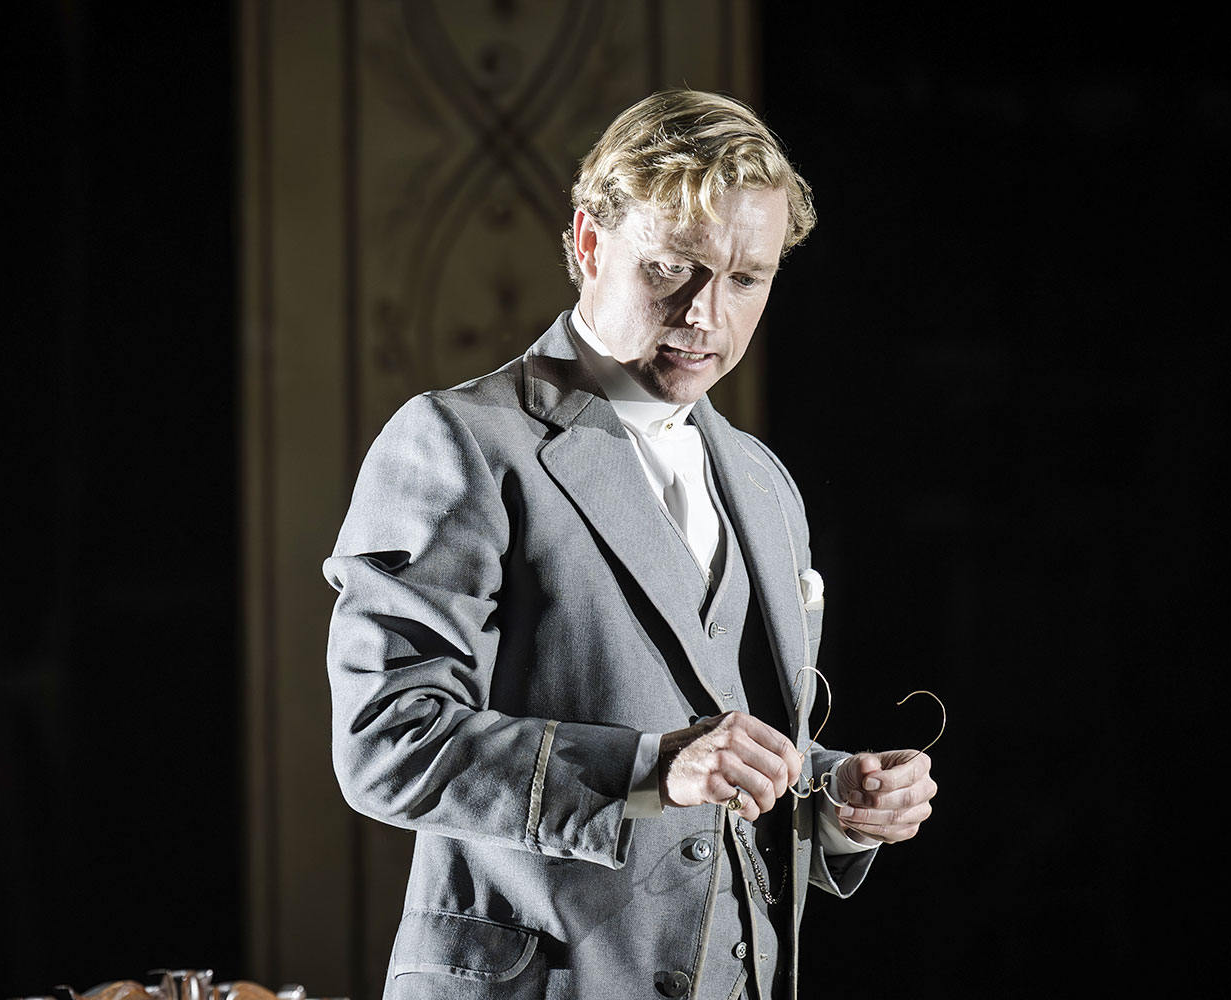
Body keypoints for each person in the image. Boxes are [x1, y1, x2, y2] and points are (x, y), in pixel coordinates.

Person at [324, 89, 937, 1000]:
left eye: (745, 278)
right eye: (673, 267)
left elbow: (727, 748)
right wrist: (650, 768)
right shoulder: (459, 442)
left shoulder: (764, 484)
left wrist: (833, 794)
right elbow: (387, 743)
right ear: (588, 243)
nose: (705, 312)